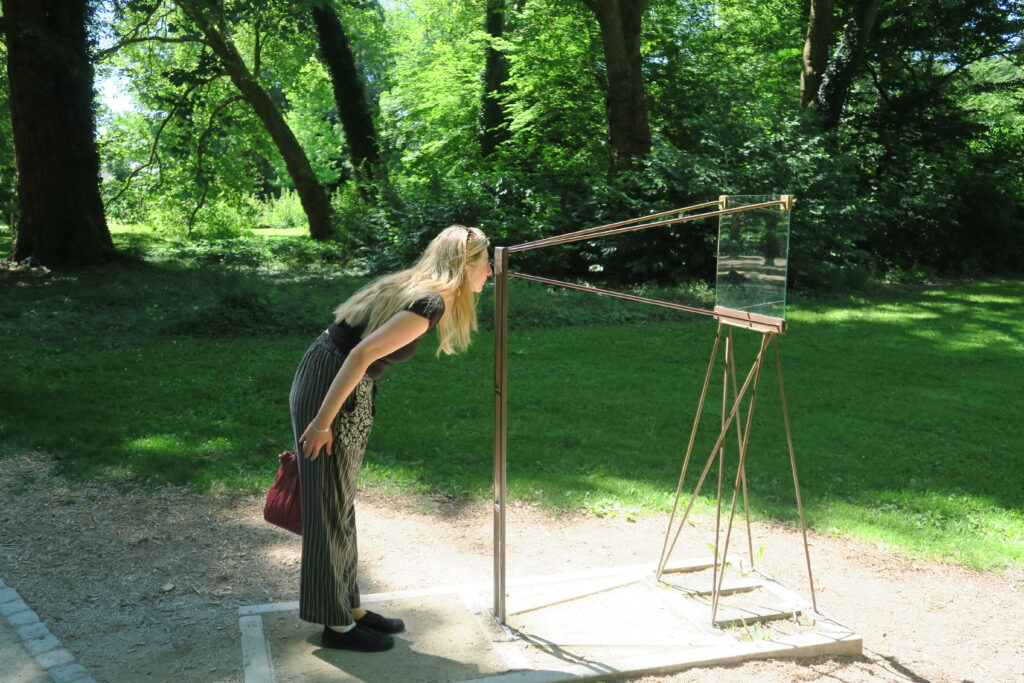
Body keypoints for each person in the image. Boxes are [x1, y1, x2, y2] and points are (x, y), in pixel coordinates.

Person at [289, 225, 492, 652]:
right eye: (484, 262)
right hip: (333, 385)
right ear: (464, 265)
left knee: (339, 501)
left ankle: (350, 607)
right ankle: (335, 624)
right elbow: (361, 353)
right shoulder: (429, 301)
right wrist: (323, 423)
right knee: (327, 503)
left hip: (342, 381)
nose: (490, 272)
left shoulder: (423, 289)